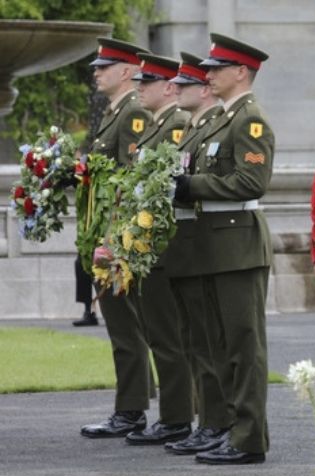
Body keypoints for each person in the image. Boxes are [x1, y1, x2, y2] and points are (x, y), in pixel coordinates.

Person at [173, 33, 273, 465]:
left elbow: (252, 183)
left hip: (237, 244)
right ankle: (231, 428)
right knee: (219, 346)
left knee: (243, 347)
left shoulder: (250, 121)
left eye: (216, 68)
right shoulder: (219, 121)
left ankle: (249, 438)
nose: (207, 75)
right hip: (215, 245)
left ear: (241, 72)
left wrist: (189, 186)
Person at [80, 37, 154, 439]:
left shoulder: (133, 114)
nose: (96, 72)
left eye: (103, 67)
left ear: (126, 72)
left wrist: (113, 237)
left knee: (127, 328)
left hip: (119, 237)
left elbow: (130, 180)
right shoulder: (116, 112)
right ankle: (132, 406)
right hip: (109, 232)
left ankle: (131, 411)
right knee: (122, 327)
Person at [161, 52, 233, 455]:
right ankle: (209, 421)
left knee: (212, 341)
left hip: (209, 240)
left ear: (204, 90)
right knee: (196, 340)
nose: (177, 90)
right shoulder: (193, 128)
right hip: (190, 242)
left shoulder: (216, 125)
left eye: (185, 85)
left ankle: (217, 421)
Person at [122, 53, 194, 446]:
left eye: (146, 82)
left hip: (166, 245)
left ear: (167, 87)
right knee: (161, 333)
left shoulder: (176, 125)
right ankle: (175, 414)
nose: (138, 88)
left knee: (170, 336)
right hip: (152, 244)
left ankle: (178, 416)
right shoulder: (158, 125)